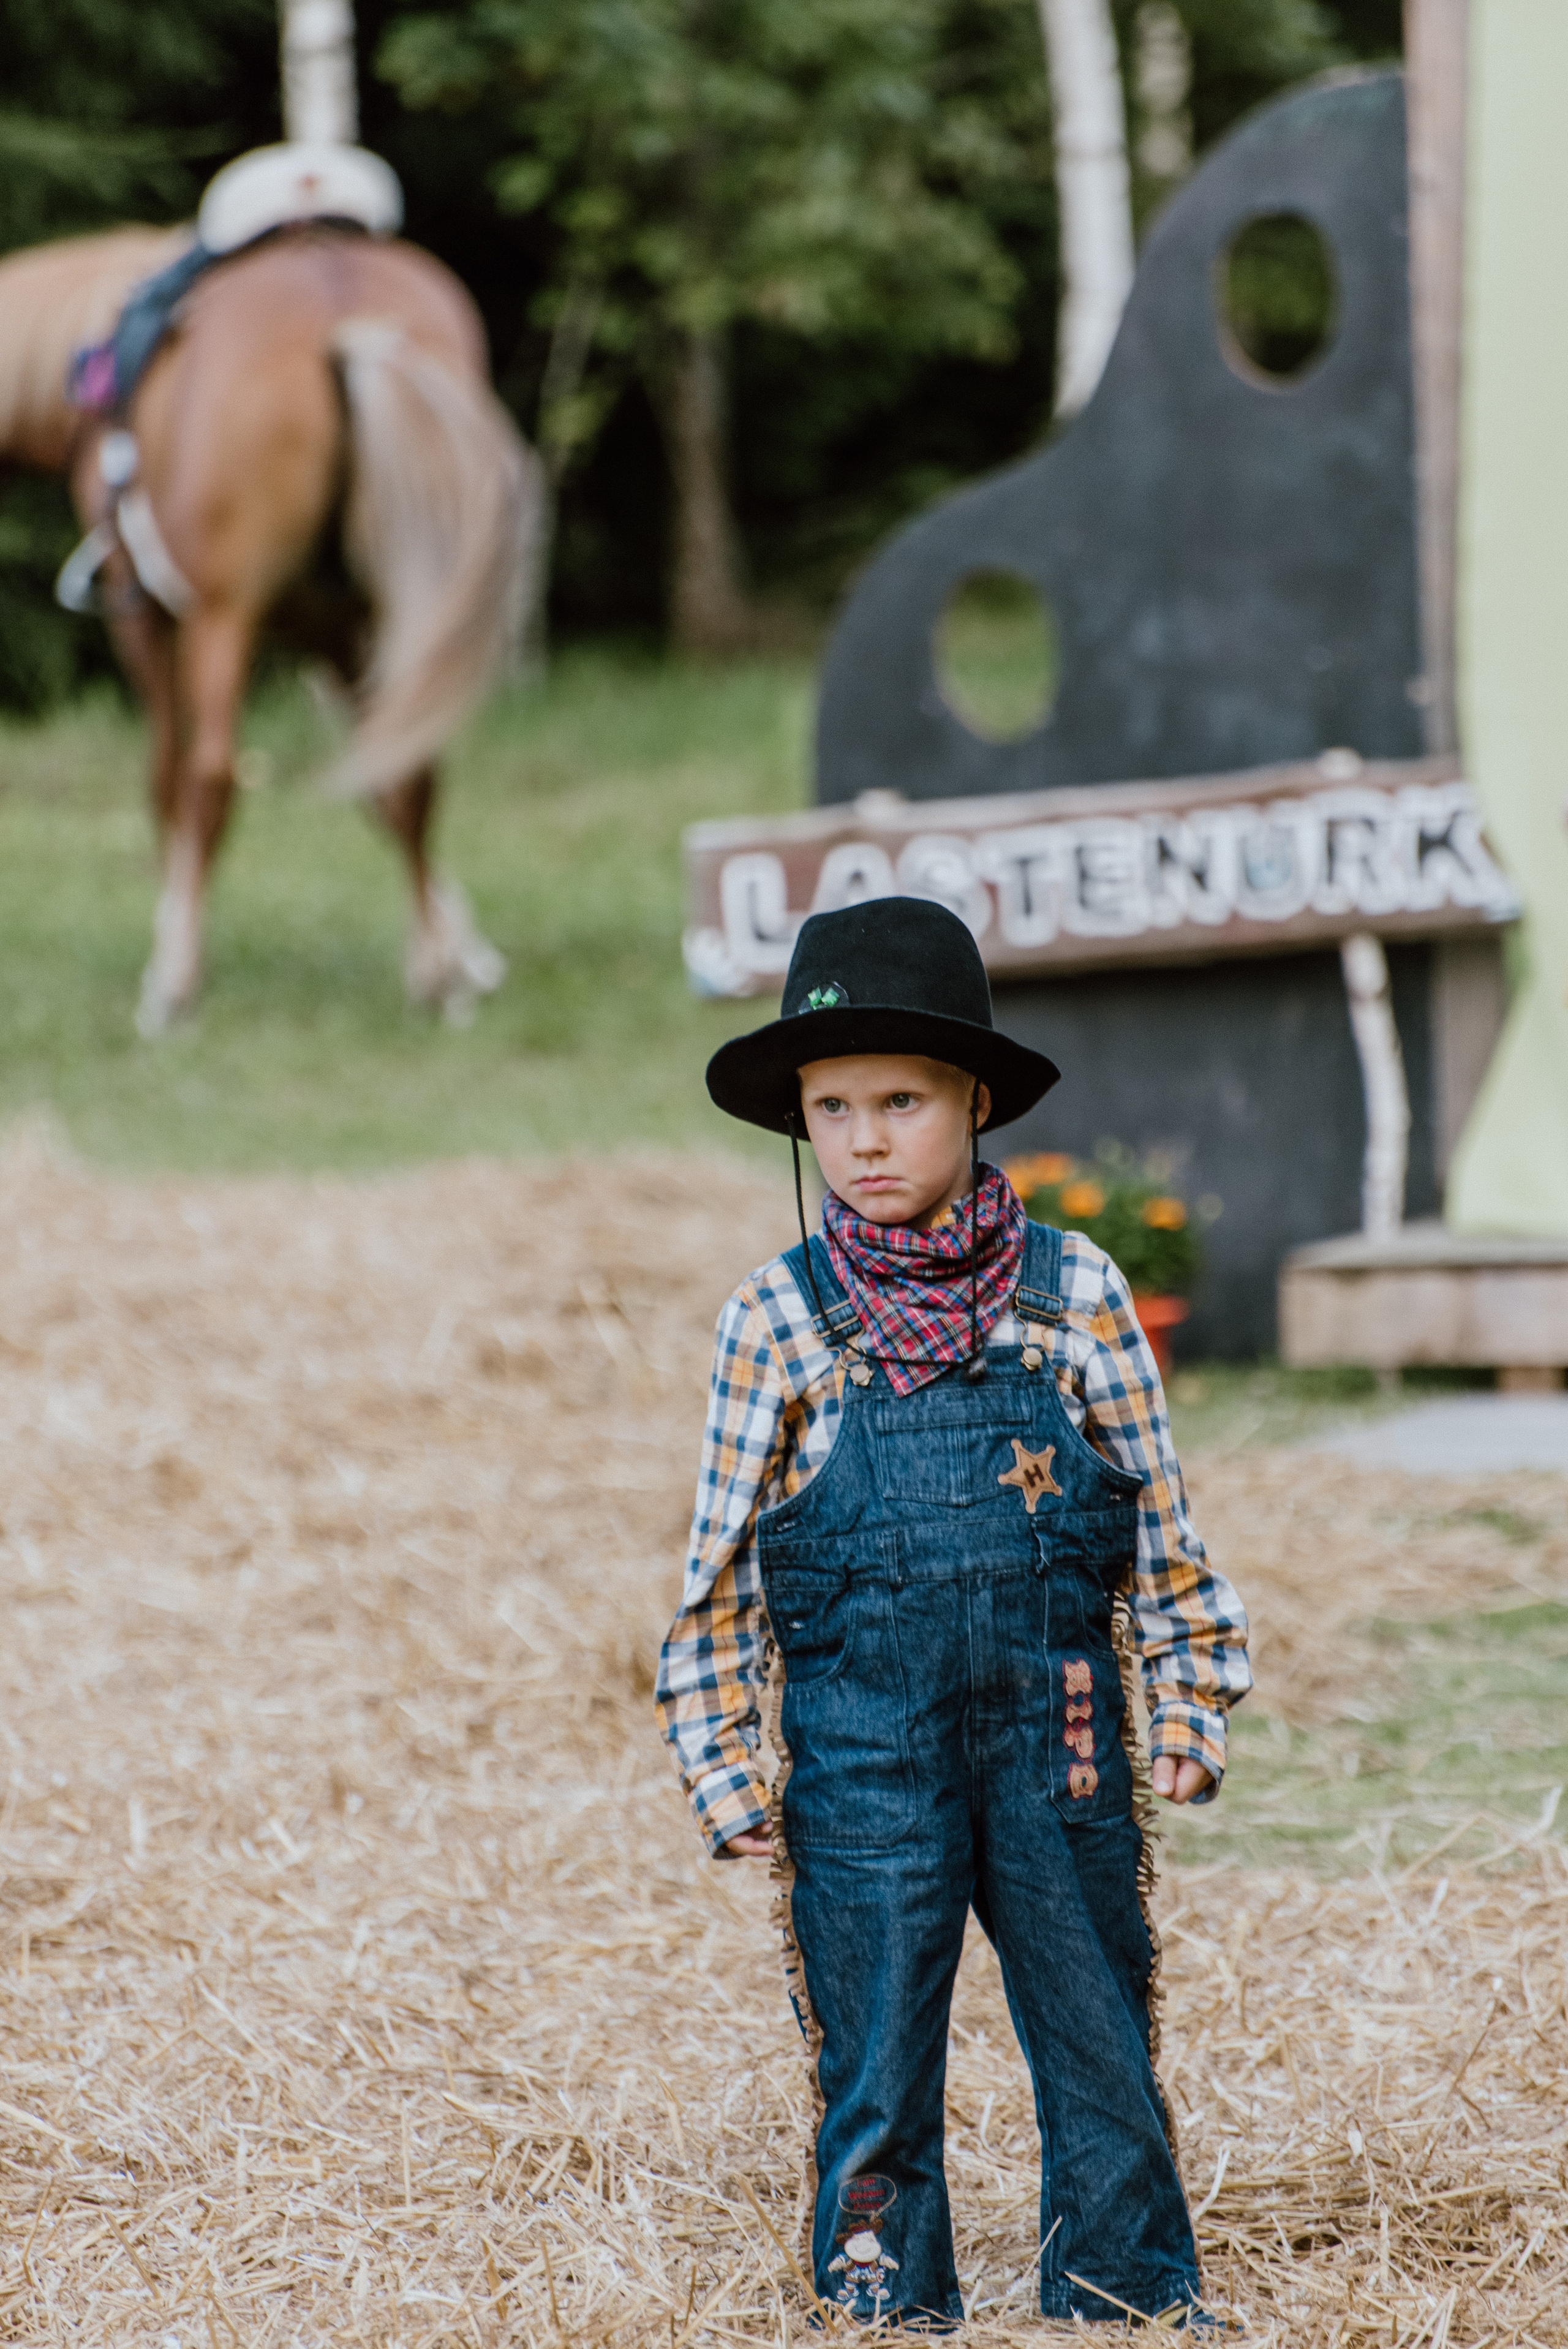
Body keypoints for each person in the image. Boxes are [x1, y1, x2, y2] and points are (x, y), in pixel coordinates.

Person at [655, 896, 1251, 2329]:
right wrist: (723, 1758)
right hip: (862, 1748)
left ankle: (1122, 2286)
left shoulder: (1072, 1298)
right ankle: (884, 2295)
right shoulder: (779, 1320)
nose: (864, 1141)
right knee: (870, 2038)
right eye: (832, 1105)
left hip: (1057, 1728)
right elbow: (723, 1568)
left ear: (974, 1100)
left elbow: (1156, 1516)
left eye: (902, 1101)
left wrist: (1186, 1684)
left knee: (1094, 2017)